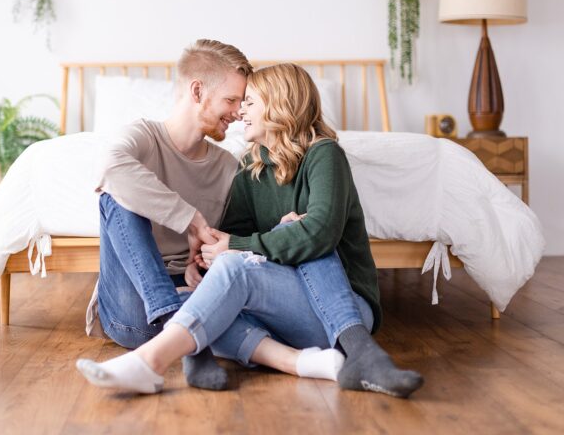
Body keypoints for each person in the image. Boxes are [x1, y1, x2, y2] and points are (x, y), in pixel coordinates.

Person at [78, 63, 425, 399]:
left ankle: (149, 362)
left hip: (342, 308)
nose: (239, 112)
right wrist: (200, 261)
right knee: (207, 292)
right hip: (284, 309)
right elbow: (230, 235)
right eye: (236, 101)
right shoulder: (250, 165)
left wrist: (244, 243)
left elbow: (317, 235)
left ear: (279, 105)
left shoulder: (324, 155)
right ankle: (306, 362)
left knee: (284, 241)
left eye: (249, 102)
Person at [88, 39, 252, 391]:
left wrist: (204, 261)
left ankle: (180, 331)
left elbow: (231, 244)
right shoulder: (143, 137)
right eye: (231, 100)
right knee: (114, 195)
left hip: (191, 295)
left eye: (242, 102)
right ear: (197, 90)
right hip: (133, 311)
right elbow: (109, 168)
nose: (239, 112)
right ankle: (175, 325)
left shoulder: (228, 167)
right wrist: (189, 217)